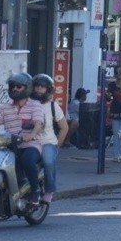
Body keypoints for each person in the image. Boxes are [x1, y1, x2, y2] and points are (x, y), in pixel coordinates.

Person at [0, 73, 45, 204]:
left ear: (27, 88)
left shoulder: (35, 105)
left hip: (30, 144)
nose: (15, 89)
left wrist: (31, 135)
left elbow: (38, 123)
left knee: (27, 160)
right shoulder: (5, 107)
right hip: (10, 145)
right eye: (12, 86)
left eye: (19, 86)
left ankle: (35, 192)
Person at [31, 74, 68, 203]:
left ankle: (49, 190)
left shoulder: (53, 106)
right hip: (30, 142)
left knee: (48, 161)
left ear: (48, 90)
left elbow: (64, 127)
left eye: (42, 87)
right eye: (36, 87)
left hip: (48, 142)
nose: (38, 89)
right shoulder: (28, 104)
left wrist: (57, 145)